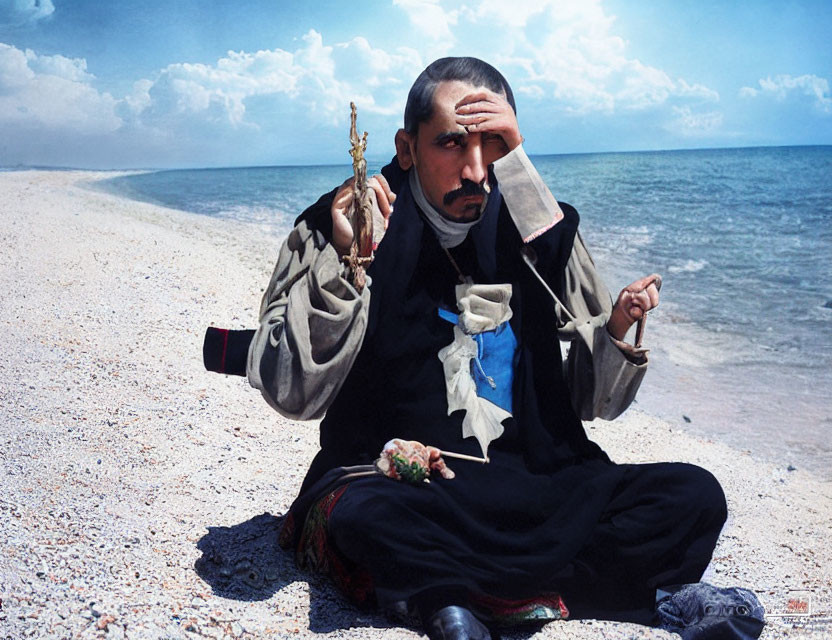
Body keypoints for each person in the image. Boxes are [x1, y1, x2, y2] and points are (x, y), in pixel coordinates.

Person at [245, 58, 750, 640]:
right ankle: (581, 593)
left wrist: (612, 334)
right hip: (411, 487)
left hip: (537, 482)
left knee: (693, 496)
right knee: (367, 518)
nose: (476, 169)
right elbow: (292, 393)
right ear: (406, 149)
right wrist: (349, 265)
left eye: (495, 145)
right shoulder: (343, 226)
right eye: (452, 144)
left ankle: (455, 601)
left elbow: (592, 404)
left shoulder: (540, 230)